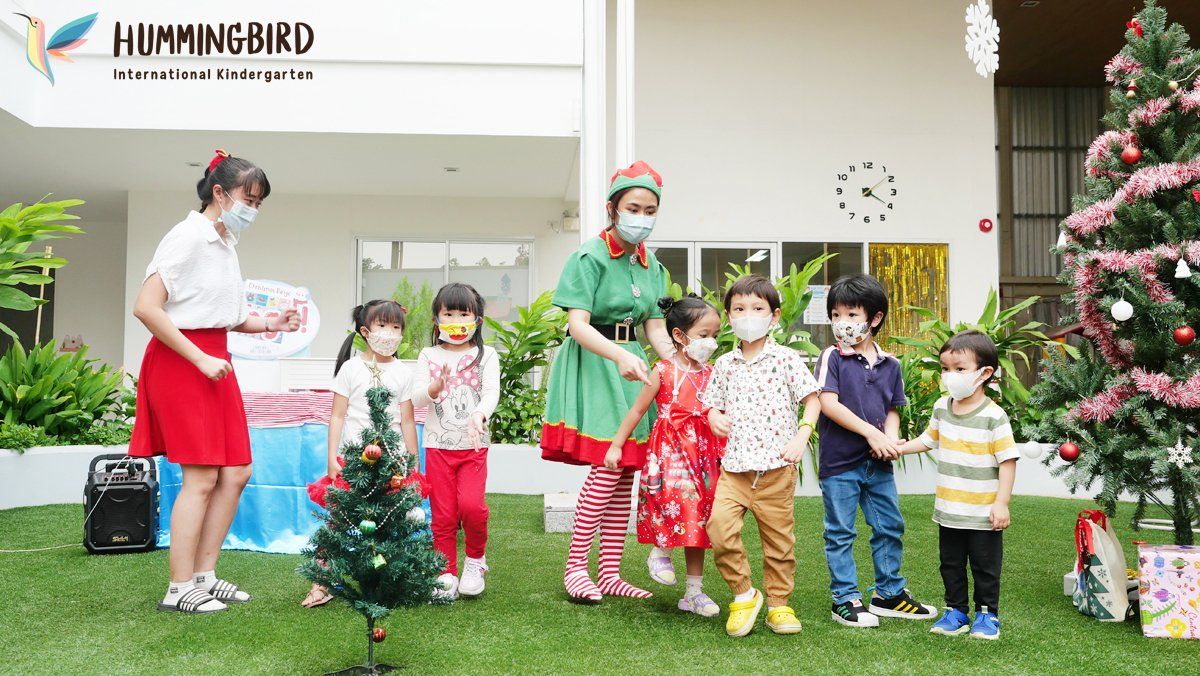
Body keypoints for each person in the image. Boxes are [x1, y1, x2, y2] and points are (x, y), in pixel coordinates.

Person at [131, 149, 300, 614]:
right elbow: (147, 307)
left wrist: (270, 323)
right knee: (202, 476)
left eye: (260, 202)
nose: (254, 209)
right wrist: (200, 359)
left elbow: (219, 315)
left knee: (237, 472)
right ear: (220, 193)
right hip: (182, 362)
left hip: (213, 360)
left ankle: (204, 576)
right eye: (250, 198)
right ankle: (178, 587)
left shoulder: (226, 243)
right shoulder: (186, 237)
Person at [541, 160, 676, 602]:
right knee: (607, 464)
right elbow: (577, 324)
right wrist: (618, 354)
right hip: (596, 359)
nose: (642, 217)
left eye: (650, 210)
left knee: (627, 470)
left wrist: (678, 363)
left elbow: (655, 325)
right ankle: (575, 568)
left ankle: (611, 572)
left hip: (633, 361)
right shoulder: (588, 256)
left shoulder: (651, 262)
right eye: (634, 207)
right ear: (613, 208)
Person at [813, 273, 936, 628]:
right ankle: (845, 598)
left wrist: (890, 440)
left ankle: (889, 594)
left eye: (851, 315)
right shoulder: (831, 357)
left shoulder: (891, 364)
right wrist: (873, 434)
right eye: (836, 315)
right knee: (840, 531)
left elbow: (894, 407)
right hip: (840, 464)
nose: (842, 323)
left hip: (877, 464)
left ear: (875, 318)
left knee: (889, 527)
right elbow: (829, 404)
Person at [702, 275, 820, 637]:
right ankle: (743, 594)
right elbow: (711, 406)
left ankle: (779, 605)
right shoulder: (724, 364)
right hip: (735, 470)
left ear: (775, 316)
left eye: (757, 309)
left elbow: (812, 399)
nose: (748, 315)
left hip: (776, 470)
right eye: (739, 309)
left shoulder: (786, 359)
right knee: (719, 530)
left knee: (779, 543)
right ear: (728, 317)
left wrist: (803, 435)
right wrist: (714, 417)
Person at [894, 330, 1017, 640]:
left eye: (959, 369)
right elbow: (927, 440)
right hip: (949, 509)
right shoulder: (941, 407)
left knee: (985, 567)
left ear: (984, 373)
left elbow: (1007, 461)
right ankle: (956, 611)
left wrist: (1001, 503)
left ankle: (987, 615)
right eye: (945, 369)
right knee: (950, 564)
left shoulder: (994, 416)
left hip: (983, 513)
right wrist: (897, 447)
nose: (950, 376)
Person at [608, 294, 724, 617]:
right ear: (679, 335)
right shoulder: (663, 370)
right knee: (672, 500)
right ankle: (659, 551)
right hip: (670, 451)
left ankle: (694, 592)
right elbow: (636, 410)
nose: (711, 342)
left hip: (703, 453)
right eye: (704, 335)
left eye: (715, 335)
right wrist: (617, 443)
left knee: (698, 517)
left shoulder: (712, 372)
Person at [302, 299, 419, 608]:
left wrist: (412, 459)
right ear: (366, 331)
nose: (390, 333)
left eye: (397, 327)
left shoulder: (404, 373)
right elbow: (337, 416)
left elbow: (407, 419)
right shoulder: (351, 369)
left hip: (391, 464)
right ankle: (321, 582)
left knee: (394, 521)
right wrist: (332, 457)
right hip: (354, 461)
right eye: (383, 326)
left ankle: (396, 582)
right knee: (339, 522)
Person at [411, 283, 500, 601]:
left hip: (474, 446)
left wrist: (479, 414)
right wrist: (435, 386)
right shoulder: (427, 355)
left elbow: (491, 392)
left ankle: (475, 561)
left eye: (464, 313)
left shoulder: (485, 355)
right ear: (437, 319)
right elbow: (417, 398)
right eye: (449, 313)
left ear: (477, 320)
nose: (456, 320)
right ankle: (444, 570)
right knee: (444, 512)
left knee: (472, 508)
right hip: (437, 446)